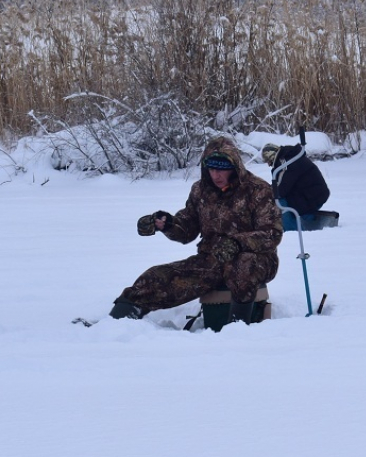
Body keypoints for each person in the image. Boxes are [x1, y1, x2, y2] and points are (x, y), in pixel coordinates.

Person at [109, 136, 283, 324]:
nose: (216, 175)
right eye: (212, 169)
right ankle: (114, 323)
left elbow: (272, 234)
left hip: (258, 258)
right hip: (212, 259)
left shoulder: (258, 190)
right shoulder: (200, 190)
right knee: (156, 277)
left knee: (242, 266)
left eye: (222, 170)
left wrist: (237, 243)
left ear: (234, 167)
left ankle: (238, 327)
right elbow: (187, 228)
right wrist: (166, 224)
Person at [262, 142, 330, 231]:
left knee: (279, 202)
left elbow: (281, 190)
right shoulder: (288, 159)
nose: (269, 165)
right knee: (283, 202)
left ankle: (292, 231)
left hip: (312, 195)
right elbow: (282, 185)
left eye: (269, 161)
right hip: (309, 193)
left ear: (272, 156)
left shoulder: (286, 163)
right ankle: (303, 223)